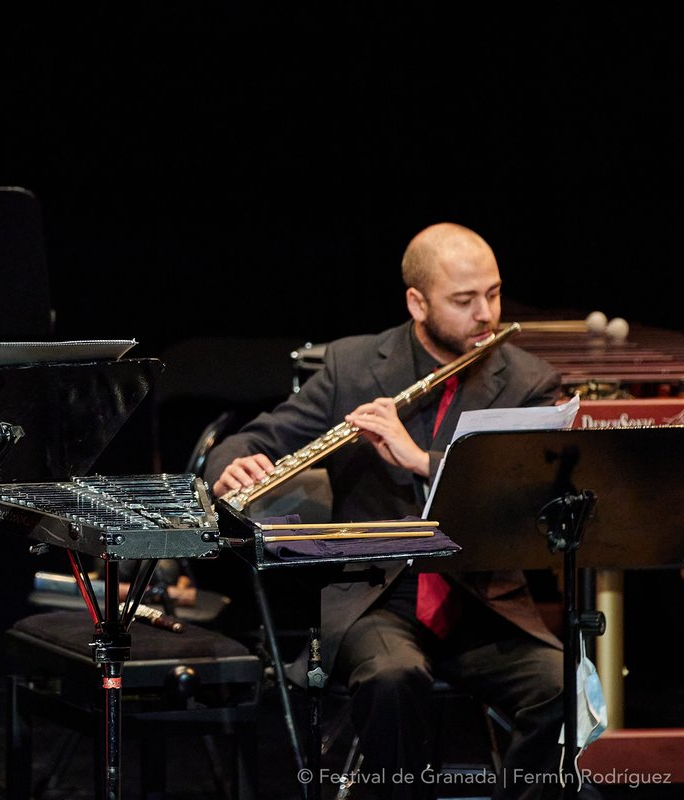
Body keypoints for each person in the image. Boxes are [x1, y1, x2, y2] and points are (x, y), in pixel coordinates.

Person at [205, 222, 566, 800]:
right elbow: (254, 437)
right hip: (375, 598)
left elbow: (529, 498)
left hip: (481, 601)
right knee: (394, 677)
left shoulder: (527, 381)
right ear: (417, 304)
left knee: (561, 686)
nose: (486, 315)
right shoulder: (354, 366)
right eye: (464, 299)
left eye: (493, 294)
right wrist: (234, 464)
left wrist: (422, 459)